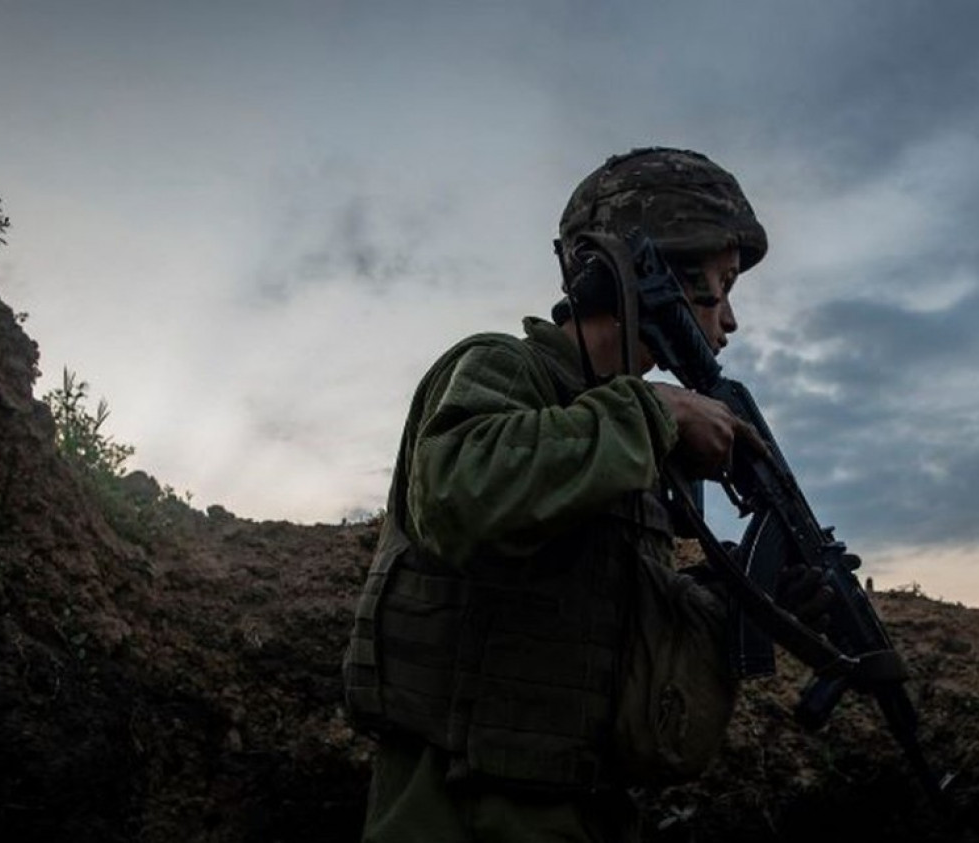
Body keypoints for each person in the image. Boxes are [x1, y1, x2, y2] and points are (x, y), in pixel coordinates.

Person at [343, 147, 819, 842]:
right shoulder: (506, 369)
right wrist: (655, 413)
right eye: (719, 286)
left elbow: (609, 622)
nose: (731, 320)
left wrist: (742, 600)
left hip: (582, 806)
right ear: (657, 274)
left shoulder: (629, 441)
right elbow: (458, 492)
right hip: (460, 808)